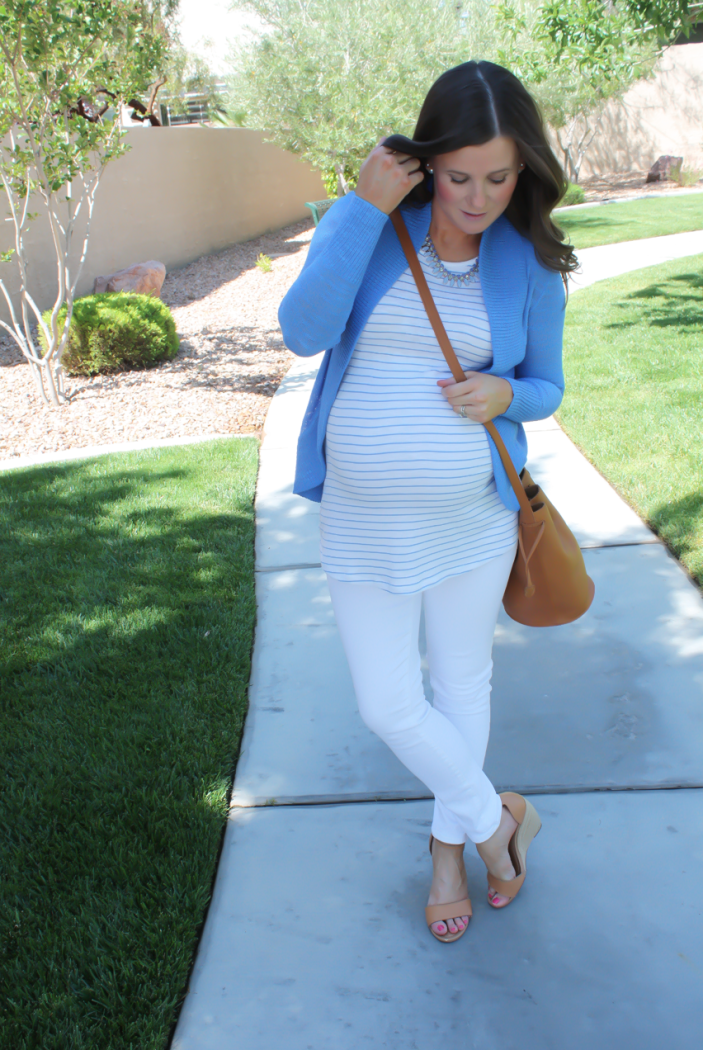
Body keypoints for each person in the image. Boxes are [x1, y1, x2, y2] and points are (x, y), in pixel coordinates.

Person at [278, 60, 577, 943]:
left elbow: (547, 384)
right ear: (427, 161)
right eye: (458, 177)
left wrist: (505, 397)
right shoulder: (373, 229)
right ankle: (496, 825)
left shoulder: (529, 265)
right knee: (387, 705)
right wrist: (360, 206)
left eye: (498, 177)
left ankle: (450, 849)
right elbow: (302, 332)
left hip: (471, 520)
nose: (477, 197)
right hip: (365, 523)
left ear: (522, 170)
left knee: (460, 683)